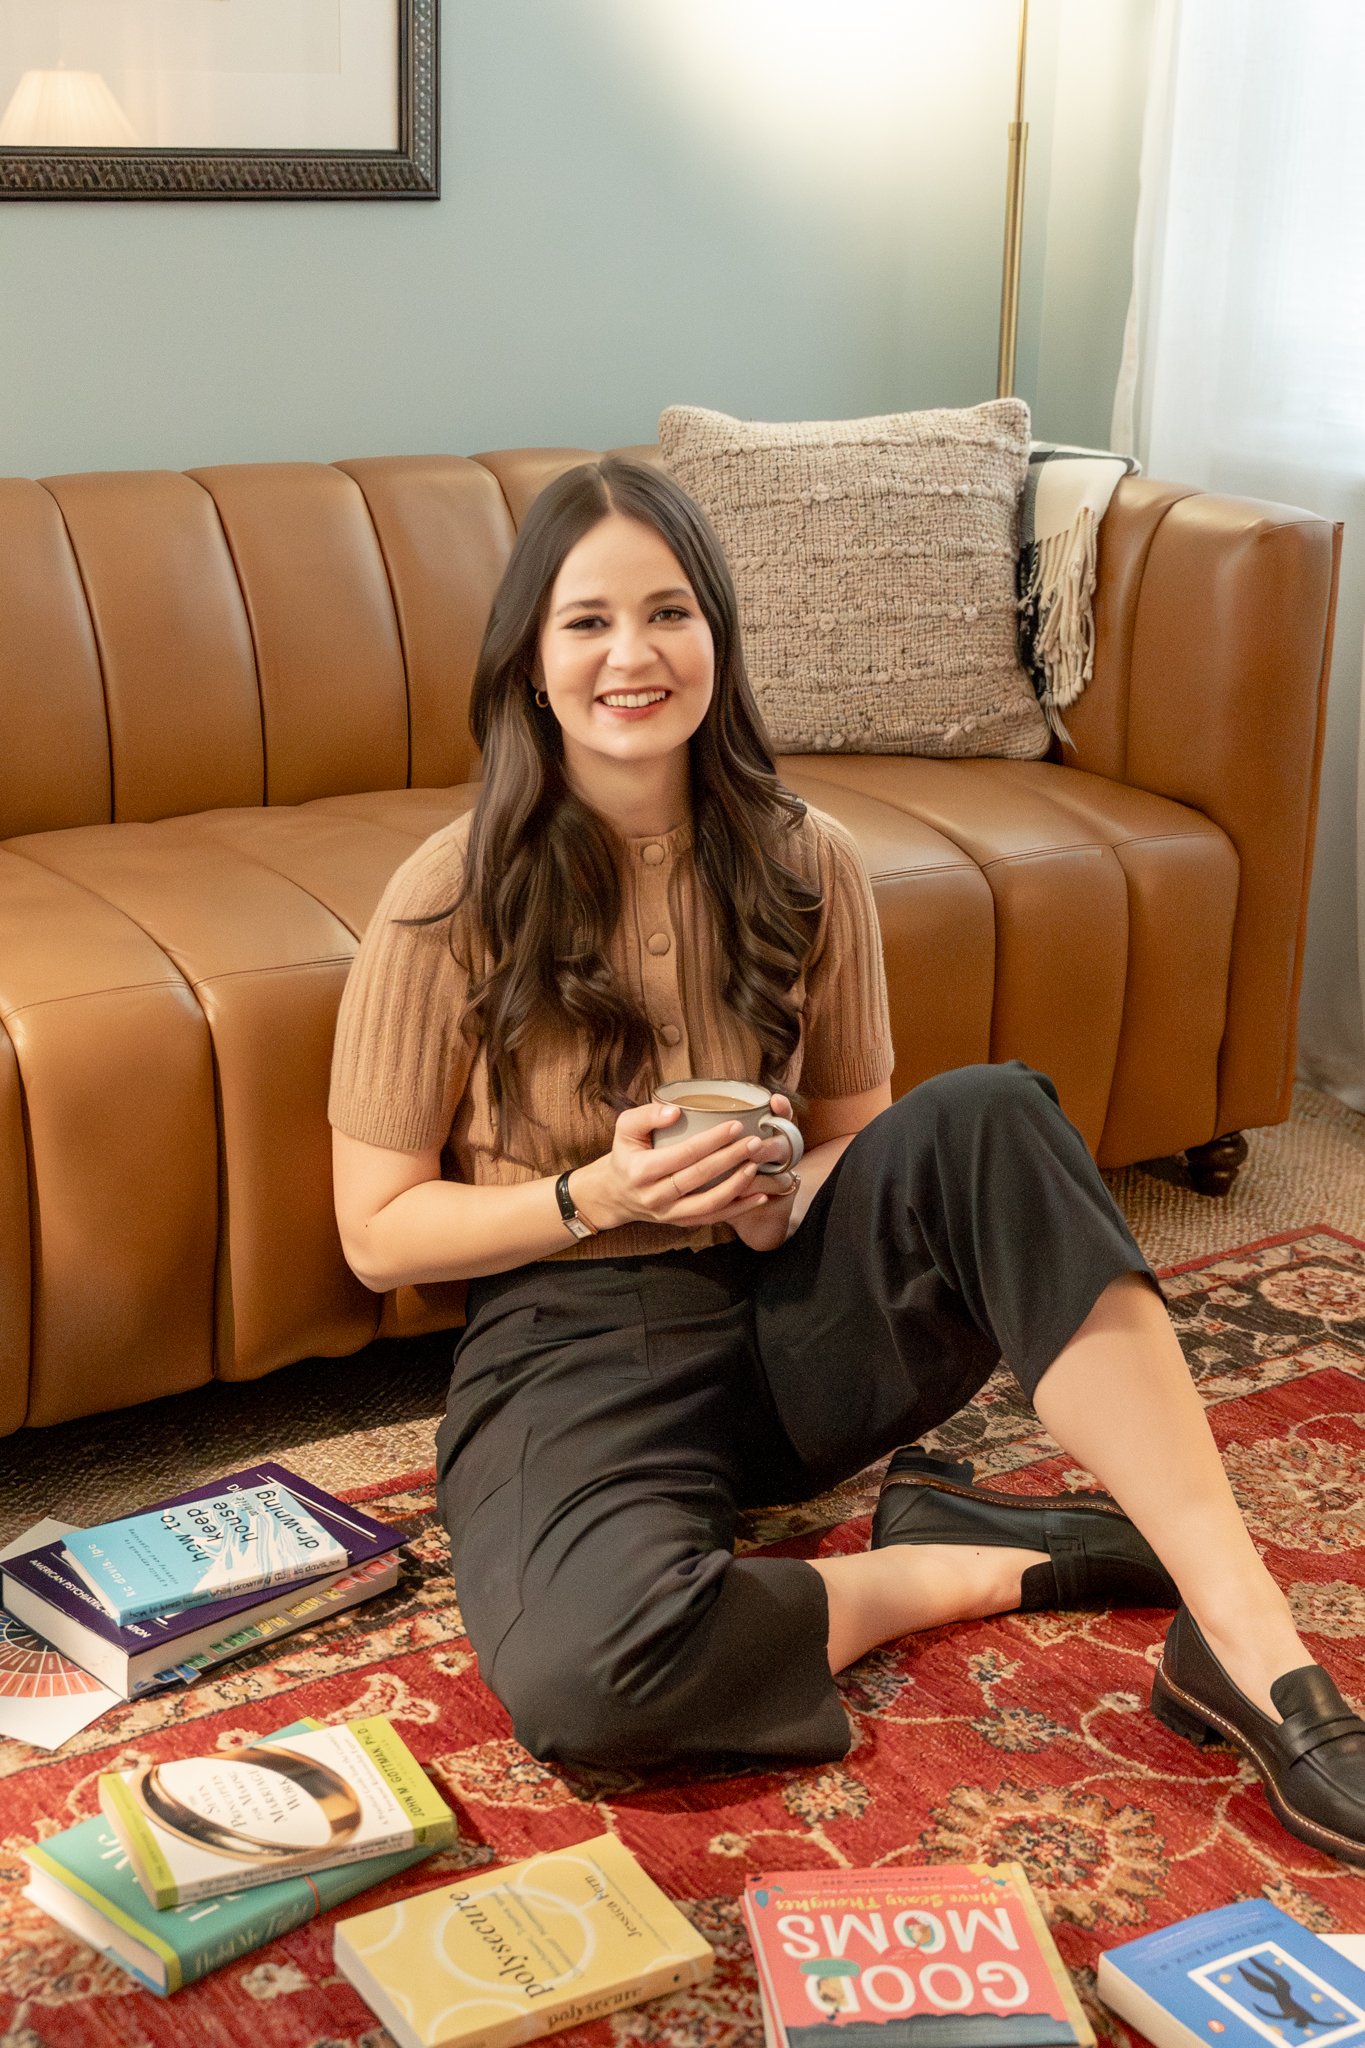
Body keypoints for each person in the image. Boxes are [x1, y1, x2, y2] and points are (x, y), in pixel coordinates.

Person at [329, 456, 1365, 1867]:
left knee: (991, 1111)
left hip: (785, 1310)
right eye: (585, 622)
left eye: (670, 612)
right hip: (573, 1330)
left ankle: (1247, 1643)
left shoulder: (808, 859)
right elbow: (377, 1233)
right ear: (525, 661)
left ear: (719, 640)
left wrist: (777, 1200)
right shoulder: (445, 898)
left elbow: (855, 1139)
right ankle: (963, 1559)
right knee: (589, 1683)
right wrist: (597, 1197)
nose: (631, 655)